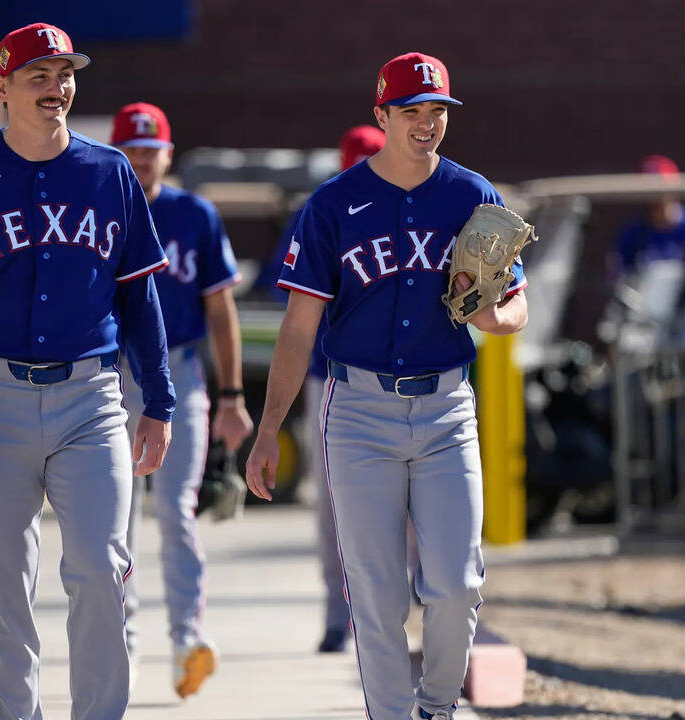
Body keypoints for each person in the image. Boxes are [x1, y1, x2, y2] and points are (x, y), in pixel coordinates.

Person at [0, 23, 174, 720]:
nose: (56, 88)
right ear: (2, 87)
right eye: (38, 76)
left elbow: (139, 294)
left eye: (64, 74)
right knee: (1, 584)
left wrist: (159, 400)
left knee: (103, 571)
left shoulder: (109, 172)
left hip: (91, 397)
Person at [245, 52, 528, 720]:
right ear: (381, 115)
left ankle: (435, 708)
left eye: (437, 112)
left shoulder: (472, 195)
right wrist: (267, 430)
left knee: (457, 586)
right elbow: (298, 327)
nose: (426, 124)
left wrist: (497, 316)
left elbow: (518, 302)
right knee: (374, 596)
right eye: (411, 112)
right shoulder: (333, 206)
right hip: (358, 412)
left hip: (446, 409)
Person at [109, 101, 253, 697]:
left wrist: (233, 395)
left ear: (168, 154)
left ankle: (186, 637)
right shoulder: (101, 207)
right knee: (112, 515)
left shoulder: (194, 214)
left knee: (178, 509)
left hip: (183, 369)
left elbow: (220, 307)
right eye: (133, 149)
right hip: (112, 374)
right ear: (119, 153)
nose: (143, 159)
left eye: (152, 149)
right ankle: (122, 642)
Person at [257, 125, 386, 654]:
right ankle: (339, 615)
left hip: (400, 380)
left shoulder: (411, 211)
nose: (360, 173)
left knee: (403, 508)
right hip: (329, 377)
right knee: (334, 503)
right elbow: (280, 286)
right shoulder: (323, 211)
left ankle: (394, 608)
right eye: (353, 163)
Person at [611, 155, 685, 348]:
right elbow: (620, 277)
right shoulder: (634, 232)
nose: (657, 197)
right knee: (630, 342)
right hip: (647, 314)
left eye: (660, 188)